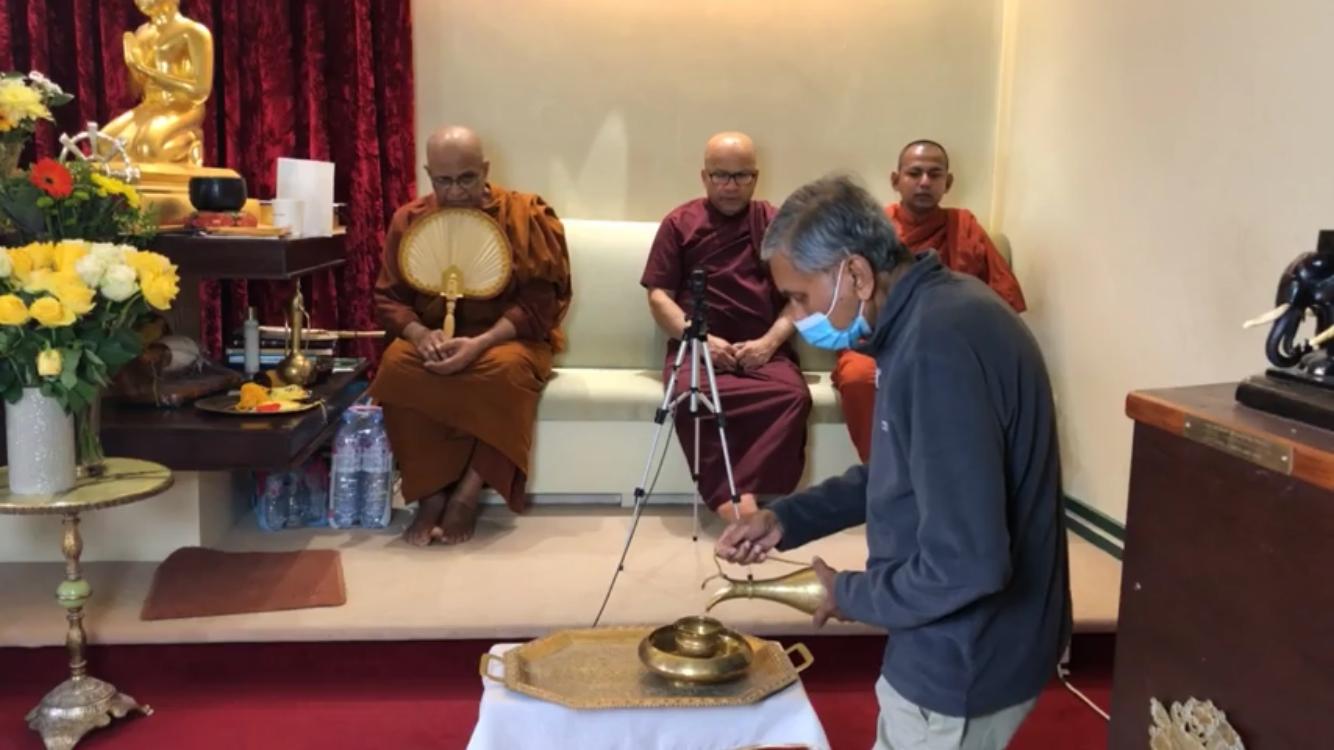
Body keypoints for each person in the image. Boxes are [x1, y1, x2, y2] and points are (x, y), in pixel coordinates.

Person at [718, 175, 1069, 749]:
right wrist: (786, 519)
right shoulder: (930, 314)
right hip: (948, 636)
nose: (796, 315)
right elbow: (896, 471)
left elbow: (967, 566)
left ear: (855, 274)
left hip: (963, 657)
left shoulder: (938, 344)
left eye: (800, 297)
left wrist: (847, 594)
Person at [369, 126, 572, 546]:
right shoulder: (410, 220)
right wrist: (419, 334)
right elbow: (388, 298)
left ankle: (465, 495)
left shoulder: (524, 215)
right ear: (429, 175)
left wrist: (480, 344)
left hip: (507, 340)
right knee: (396, 366)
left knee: (505, 371)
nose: (456, 191)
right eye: (444, 181)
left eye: (467, 178)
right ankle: (430, 496)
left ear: (485, 170)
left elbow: (540, 303)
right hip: (435, 337)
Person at [641, 132, 811, 521]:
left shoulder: (776, 224)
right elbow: (659, 296)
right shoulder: (680, 223)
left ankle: (742, 493)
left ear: (756, 177)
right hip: (697, 348)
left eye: (741, 176)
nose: (730, 186)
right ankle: (734, 504)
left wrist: (769, 343)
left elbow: (801, 295)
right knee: (691, 396)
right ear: (704, 176)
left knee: (793, 397)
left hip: (763, 350)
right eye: (720, 175)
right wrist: (699, 340)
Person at [833, 140, 1026, 462]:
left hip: (950, 343)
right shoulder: (871, 230)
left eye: (934, 175)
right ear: (895, 180)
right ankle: (881, 470)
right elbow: (847, 298)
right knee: (858, 376)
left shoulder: (964, 227)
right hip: (881, 342)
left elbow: (1002, 302)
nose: (924, 182)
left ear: (947, 183)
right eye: (915, 173)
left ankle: (944, 473)